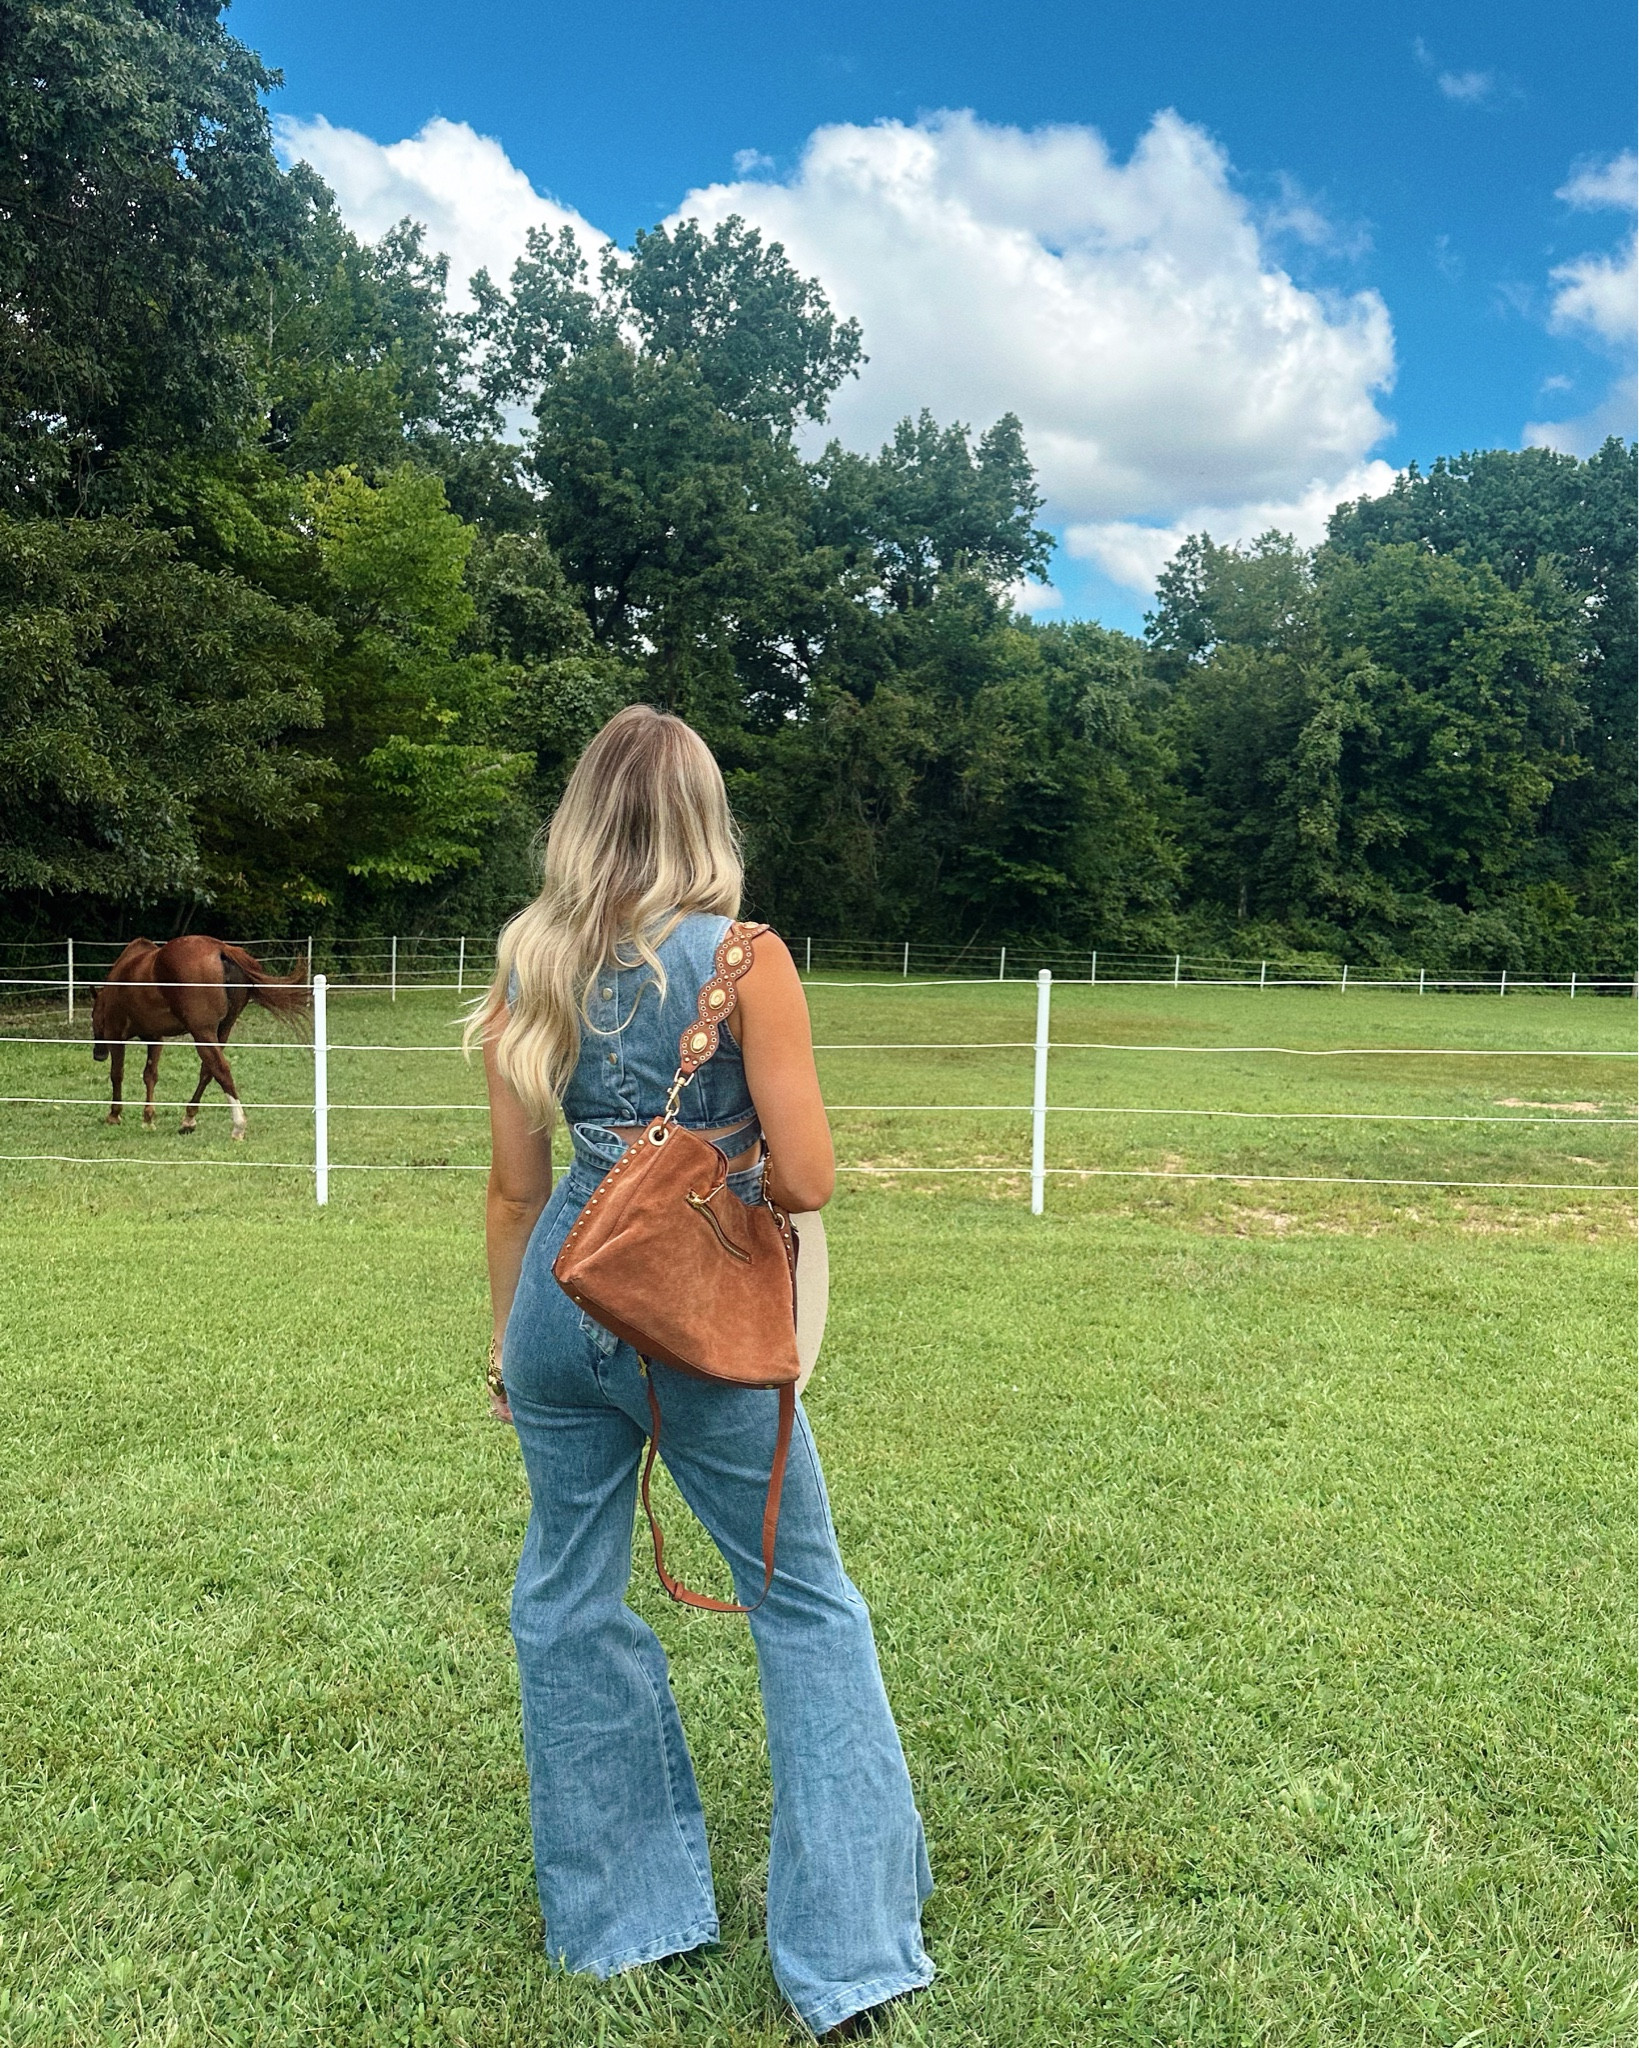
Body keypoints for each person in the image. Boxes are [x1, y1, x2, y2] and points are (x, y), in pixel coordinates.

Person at [467, 704, 934, 2039]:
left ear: (579, 820)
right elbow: (810, 1176)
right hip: (697, 1313)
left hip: (558, 1301)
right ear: (703, 819)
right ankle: (848, 1956)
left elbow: (514, 1193)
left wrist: (507, 1350)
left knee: (565, 1598)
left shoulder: (529, 962)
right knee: (805, 1603)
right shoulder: (746, 959)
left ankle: (622, 1925)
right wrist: (716, 1168)